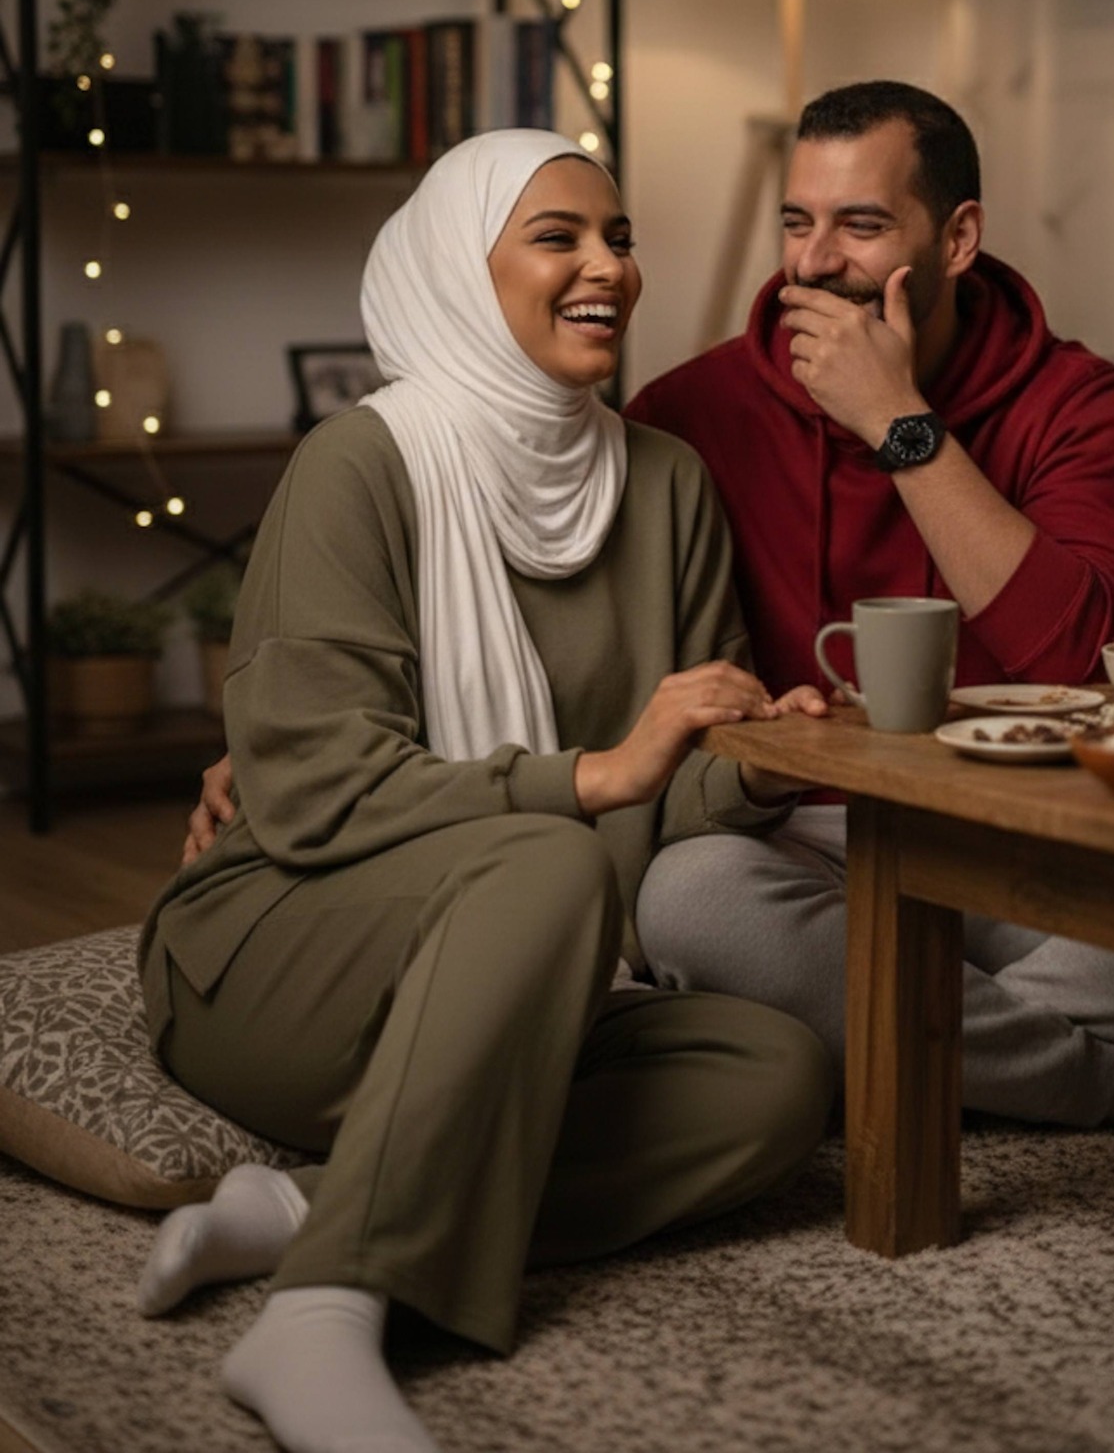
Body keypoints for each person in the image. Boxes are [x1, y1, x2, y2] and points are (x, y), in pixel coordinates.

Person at [138, 130, 833, 1453]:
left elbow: (666, 794)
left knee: (775, 1077)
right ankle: (327, 1311)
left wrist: (752, 763)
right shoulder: (360, 465)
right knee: (549, 856)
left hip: (519, 982)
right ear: (463, 270)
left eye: (618, 238)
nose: (605, 268)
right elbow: (309, 791)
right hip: (287, 953)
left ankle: (309, 1209)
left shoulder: (667, 488)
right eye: (558, 236)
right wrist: (591, 774)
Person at [627, 82, 1114, 1136]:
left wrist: (900, 424)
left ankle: (883, 1030)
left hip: (1035, 836)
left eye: (861, 224)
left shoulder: (1080, 400)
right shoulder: (687, 414)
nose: (814, 262)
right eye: (796, 221)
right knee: (689, 897)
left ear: (957, 238)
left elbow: (1088, 652)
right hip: (805, 841)